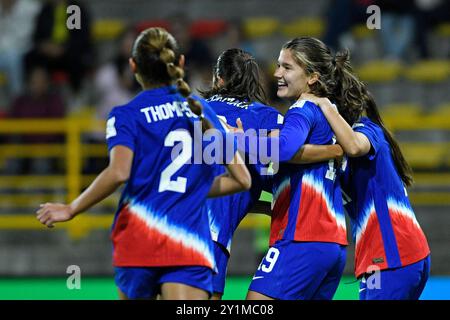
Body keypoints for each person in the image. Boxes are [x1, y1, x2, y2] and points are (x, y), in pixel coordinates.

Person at [36, 27, 251, 300]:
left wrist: (71, 208)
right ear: (180, 63)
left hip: (138, 241)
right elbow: (242, 180)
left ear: (133, 65)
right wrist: (190, 187)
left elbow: (118, 172)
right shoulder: (200, 109)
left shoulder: (126, 115)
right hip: (188, 243)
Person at [200, 48, 344, 299]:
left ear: (218, 79)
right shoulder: (266, 118)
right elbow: (286, 154)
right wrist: (333, 150)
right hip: (209, 238)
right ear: (254, 81)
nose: (279, 73)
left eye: (285, 67)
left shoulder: (192, 108)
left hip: (158, 221)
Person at [298, 48, 430, 300]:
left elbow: (355, 146)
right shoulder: (338, 146)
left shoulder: (365, 130)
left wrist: (324, 105)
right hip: (404, 256)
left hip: (391, 257)